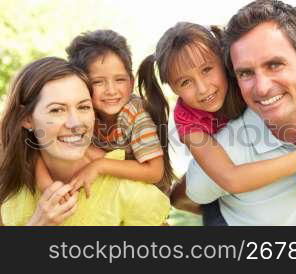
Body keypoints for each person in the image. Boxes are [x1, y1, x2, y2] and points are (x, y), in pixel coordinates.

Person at [137, 22, 296, 225]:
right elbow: (230, 179)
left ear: (224, 61)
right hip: (219, 175)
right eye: (185, 82)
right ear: (173, 88)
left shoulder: (243, 78)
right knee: (188, 193)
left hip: (246, 161)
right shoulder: (186, 119)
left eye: (207, 69)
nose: (202, 88)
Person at [181, 0, 296, 225]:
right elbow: (184, 198)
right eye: (246, 73)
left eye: (274, 65)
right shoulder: (229, 149)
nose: (261, 87)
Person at [0, 57, 170, 226]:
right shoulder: (10, 180)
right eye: (57, 110)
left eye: (83, 107)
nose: (76, 124)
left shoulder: (128, 191)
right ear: (26, 119)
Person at [36, 29, 176, 198]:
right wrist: (48, 188)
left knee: (86, 151)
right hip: (110, 187)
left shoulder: (135, 113)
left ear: (131, 83)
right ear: (81, 84)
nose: (111, 90)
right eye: (98, 82)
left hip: (145, 192)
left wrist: (99, 165)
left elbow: (155, 172)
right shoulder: (80, 111)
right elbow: (36, 150)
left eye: (119, 80)